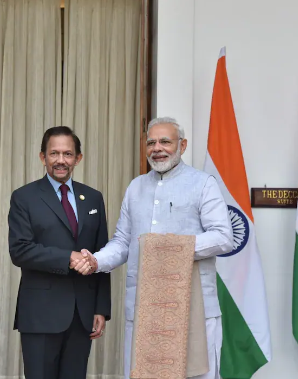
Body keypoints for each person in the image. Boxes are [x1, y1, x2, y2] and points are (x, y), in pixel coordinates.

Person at [72, 117, 234, 379]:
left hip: (193, 306)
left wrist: (169, 248)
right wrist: (96, 261)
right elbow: (123, 242)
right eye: (151, 142)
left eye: (165, 141)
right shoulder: (136, 187)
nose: (157, 148)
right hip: (144, 306)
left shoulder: (203, 184)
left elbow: (224, 237)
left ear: (182, 145)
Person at [8, 126, 111, 379]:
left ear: (78, 158)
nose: (61, 160)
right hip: (41, 313)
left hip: (82, 314)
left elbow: (102, 254)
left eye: (67, 154)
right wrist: (68, 257)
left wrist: (101, 308)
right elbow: (20, 250)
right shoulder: (24, 197)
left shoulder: (94, 198)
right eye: (54, 154)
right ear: (43, 157)